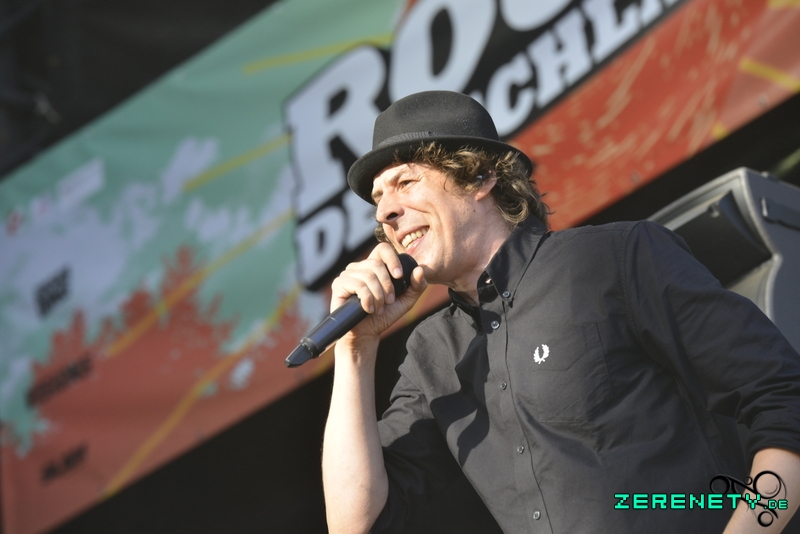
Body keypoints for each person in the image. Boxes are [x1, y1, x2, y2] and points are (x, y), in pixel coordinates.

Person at [320, 90, 800, 533]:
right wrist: (355, 349)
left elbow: (786, 402)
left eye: (405, 182)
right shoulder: (433, 353)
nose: (384, 212)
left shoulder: (618, 258)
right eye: (378, 199)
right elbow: (356, 523)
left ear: (480, 177)